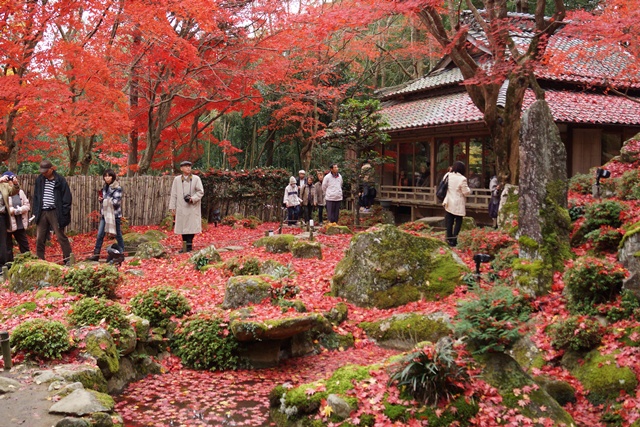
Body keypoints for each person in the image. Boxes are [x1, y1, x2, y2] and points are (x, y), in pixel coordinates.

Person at [32, 160, 73, 263]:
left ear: (51, 169)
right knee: (40, 238)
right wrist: (36, 212)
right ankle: (40, 260)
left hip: (56, 211)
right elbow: (36, 197)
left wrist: (64, 212)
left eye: (46, 171)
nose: (44, 173)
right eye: (42, 171)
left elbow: (67, 197)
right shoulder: (40, 180)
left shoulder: (60, 180)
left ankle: (68, 259)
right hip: (42, 211)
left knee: (60, 236)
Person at [87, 169, 124, 261]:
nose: (107, 178)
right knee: (100, 234)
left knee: (118, 235)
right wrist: (101, 199)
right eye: (105, 176)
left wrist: (104, 200)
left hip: (114, 215)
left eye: (109, 176)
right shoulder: (105, 187)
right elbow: (105, 201)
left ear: (113, 177)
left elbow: (116, 202)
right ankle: (96, 255)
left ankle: (121, 254)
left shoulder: (117, 188)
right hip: (105, 214)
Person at [169, 160, 204, 253]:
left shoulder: (196, 179)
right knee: (183, 228)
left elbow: (200, 191)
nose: (188, 168)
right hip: (181, 207)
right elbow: (174, 194)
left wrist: (193, 198)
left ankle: (189, 245)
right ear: (181, 168)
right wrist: (172, 206)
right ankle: (185, 247)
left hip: (192, 207)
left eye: (189, 166)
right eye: (186, 166)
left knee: (191, 227)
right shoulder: (177, 180)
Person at [442, 161, 471, 247]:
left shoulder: (448, 175)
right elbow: (466, 192)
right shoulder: (462, 179)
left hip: (449, 201)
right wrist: (470, 190)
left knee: (449, 221)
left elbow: (444, 183)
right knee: (458, 221)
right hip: (458, 203)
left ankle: (449, 238)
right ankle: (454, 240)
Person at [4, 172, 30, 261]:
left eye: (14, 179)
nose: (13, 181)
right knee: (8, 246)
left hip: (20, 223)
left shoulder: (20, 192)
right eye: (11, 180)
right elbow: (3, 207)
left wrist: (20, 210)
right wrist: (12, 210)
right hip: (8, 223)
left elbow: (27, 205)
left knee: (24, 244)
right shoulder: (3, 193)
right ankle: (9, 265)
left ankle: (28, 262)